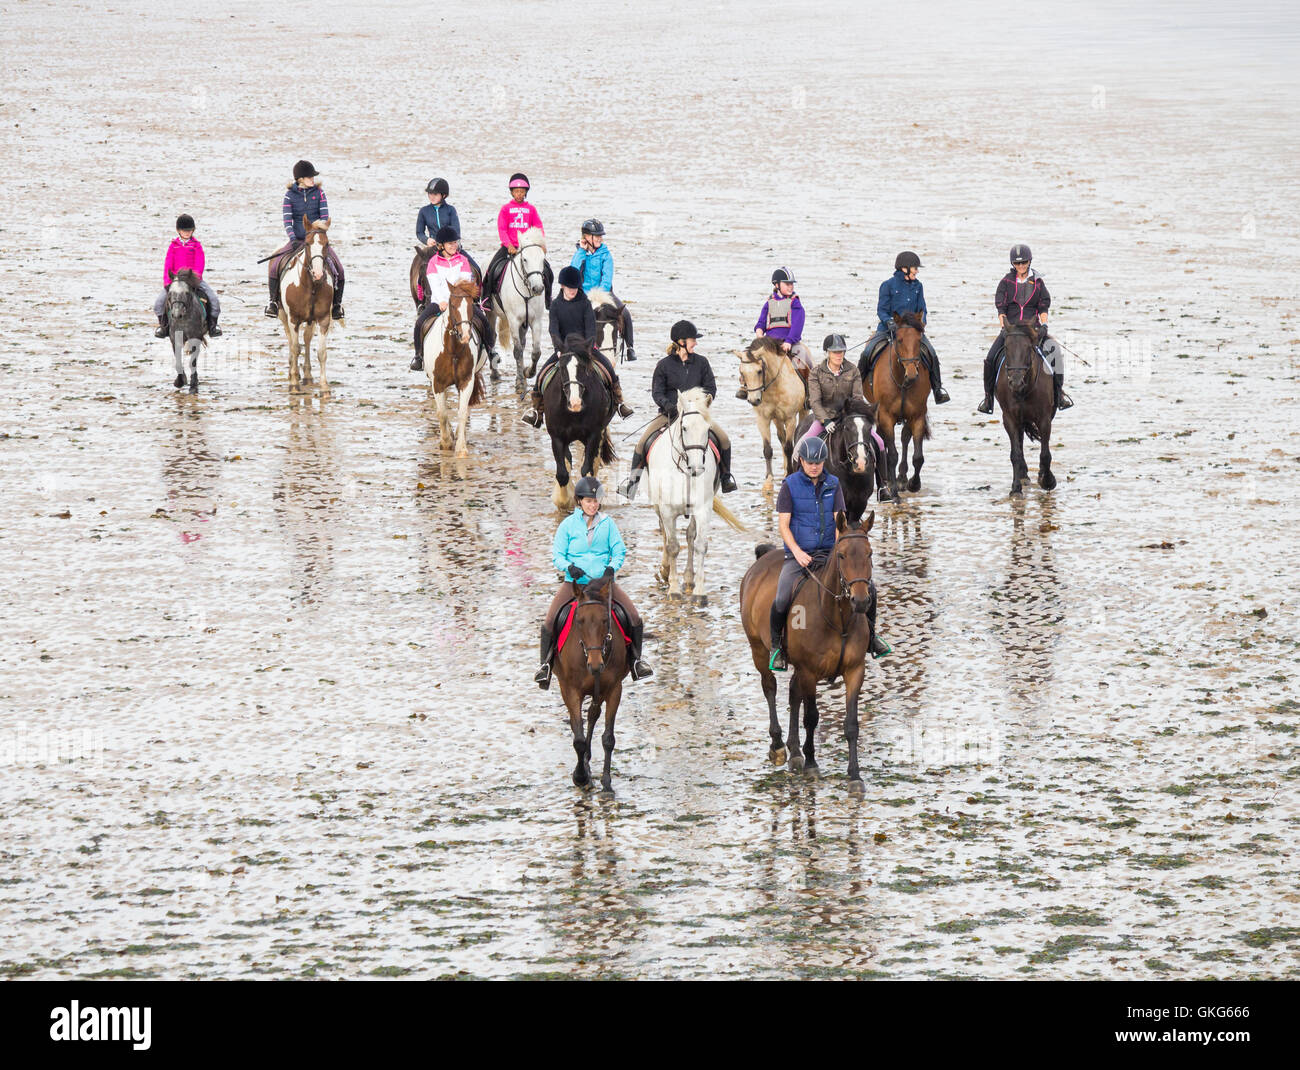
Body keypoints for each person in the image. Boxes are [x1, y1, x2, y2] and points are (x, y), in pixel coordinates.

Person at [768, 436, 891, 672]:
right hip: (798, 555)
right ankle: (777, 647)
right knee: (783, 595)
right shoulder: (789, 486)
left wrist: (838, 551)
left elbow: (840, 522)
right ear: (802, 461)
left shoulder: (833, 484)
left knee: (870, 588)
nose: (815, 467)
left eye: (819, 462)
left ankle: (872, 638)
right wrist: (797, 552)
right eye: (810, 462)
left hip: (828, 551)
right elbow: (783, 525)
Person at [535, 475, 652, 688]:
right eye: (589, 501)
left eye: (596, 501)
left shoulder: (608, 524)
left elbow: (619, 550)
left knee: (634, 617)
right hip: (575, 584)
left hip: (604, 584)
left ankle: (636, 662)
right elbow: (557, 555)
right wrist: (569, 567)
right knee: (550, 621)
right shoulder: (567, 525)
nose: (593, 505)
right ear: (579, 501)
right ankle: (546, 667)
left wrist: (611, 569)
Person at [617, 320, 737, 498]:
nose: (695, 343)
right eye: (692, 340)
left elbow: (711, 388)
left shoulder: (702, 363)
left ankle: (726, 477)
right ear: (681, 342)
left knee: (724, 440)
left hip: (696, 415)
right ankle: (632, 482)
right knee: (642, 443)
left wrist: (703, 403)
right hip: (670, 414)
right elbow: (657, 393)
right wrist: (668, 405)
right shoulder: (664, 365)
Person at [521, 265, 632, 425]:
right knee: (541, 376)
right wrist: (559, 348)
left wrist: (588, 347)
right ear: (563, 286)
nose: (573, 290)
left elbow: (591, 328)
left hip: (586, 348)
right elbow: (553, 329)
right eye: (570, 287)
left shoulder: (585, 304)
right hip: (564, 349)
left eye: (575, 287)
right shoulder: (556, 306)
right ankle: (537, 412)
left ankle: (620, 403)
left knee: (609, 370)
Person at [977, 244, 1072, 413]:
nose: (1021, 266)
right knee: (990, 358)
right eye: (1017, 264)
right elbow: (1001, 309)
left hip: (1032, 330)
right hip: (1011, 329)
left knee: (1055, 354)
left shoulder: (1038, 282)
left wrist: (1043, 325)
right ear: (1013, 264)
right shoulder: (1006, 282)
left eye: (1024, 263)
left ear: (1029, 262)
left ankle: (1059, 396)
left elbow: (1043, 307)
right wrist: (1006, 327)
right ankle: (988, 399)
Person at [804, 334, 895, 502]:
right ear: (827, 353)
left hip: (850, 416)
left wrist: (854, 416)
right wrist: (825, 421)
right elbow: (815, 401)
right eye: (835, 352)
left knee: (880, 443)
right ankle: (795, 482)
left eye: (841, 352)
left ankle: (883, 486)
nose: (839, 355)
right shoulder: (816, 372)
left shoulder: (853, 370)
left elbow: (858, 398)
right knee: (804, 443)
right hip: (826, 417)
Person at [859, 252, 949, 403]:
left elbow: (922, 308)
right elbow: (881, 310)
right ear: (904, 268)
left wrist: (922, 323)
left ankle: (938, 390)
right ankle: (855, 389)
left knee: (932, 354)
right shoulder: (887, 285)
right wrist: (889, 322)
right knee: (867, 352)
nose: (917, 271)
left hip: (912, 332)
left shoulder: (918, 286)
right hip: (888, 329)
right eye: (915, 268)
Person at [264, 160, 345, 321]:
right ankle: (273, 302)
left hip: (316, 240)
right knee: (274, 266)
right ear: (300, 179)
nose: (312, 179)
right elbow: (287, 221)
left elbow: (324, 216)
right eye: (309, 177)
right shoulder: (289, 196)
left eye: (313, 177)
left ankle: (337, 305)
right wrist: (293, 238)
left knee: (340, 270)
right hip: (298, 239)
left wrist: (317, 234)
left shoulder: (320, 193)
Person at [410, 226, 493, 371]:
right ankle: (419, 356)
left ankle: (491, 351)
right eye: (450, 244)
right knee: (419, 323)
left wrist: (458, 300)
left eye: (455, 242)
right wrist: (442, 301)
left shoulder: (463, 260)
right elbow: (434, 284)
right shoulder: (433, 263)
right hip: (439, 302)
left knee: (484, 320)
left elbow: (465, 282)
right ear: (441, 246)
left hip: (461, 302)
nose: (454, 246)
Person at [570, 218, 636, 360]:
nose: (600, 238)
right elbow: (573, 272)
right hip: (584, 295)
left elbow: (607, 278)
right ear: (587, 237)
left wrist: (599, 298)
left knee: (625, 314)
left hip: (604, 294)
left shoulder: (606, 255)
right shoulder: (579, 253)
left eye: (601, 236)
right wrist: (581, 251)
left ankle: (630, 347)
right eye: (597, 235)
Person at [414, 178, 479, 307]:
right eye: (430, 194)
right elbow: (419, 232)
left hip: (451, 245)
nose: (431, 196)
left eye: (435, 194)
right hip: (433, 247)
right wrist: (427, 240)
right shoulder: (424, 211)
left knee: (476, 268)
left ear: (443, 195)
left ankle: (478, 300)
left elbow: (456, 230)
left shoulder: (450, 210)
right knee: (422, 270)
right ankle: (421, 302)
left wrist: (447, 242)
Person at [153, 214, 221, 337]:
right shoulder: (173, 246)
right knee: (158, 304)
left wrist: (194, 279)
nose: (187, 233)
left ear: (193, 230)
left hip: (193, 280)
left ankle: (212, 327)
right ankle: (163, 328)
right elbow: (168, 265)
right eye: (184, 230)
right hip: (175, 281)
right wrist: (168, 282)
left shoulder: (196, 245)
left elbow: (200, 264)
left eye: (189, 230)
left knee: (214, 301)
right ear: (179, 231)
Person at [482, 173, 544, 301]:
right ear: (512, 192)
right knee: (492, 269)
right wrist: (508, 244)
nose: (519, 194)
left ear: (526, 192)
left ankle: (547, 298)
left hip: (527, 247)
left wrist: (541, 245)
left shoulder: (531, 209)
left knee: (547, 270)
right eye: (516, 191)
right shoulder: (505, 209)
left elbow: (538, 227)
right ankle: (487, 298)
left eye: (522, 191)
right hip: (510, 247)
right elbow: (502, 229)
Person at [754, 267, 813, 372]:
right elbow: (761, 322)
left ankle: (810, 385)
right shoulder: (769, 302)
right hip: (770, 344)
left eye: (792, 284)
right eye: (787, 284)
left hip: (790, 344)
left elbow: (797, 325)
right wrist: (759, 332)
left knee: (807, 365)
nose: (791, 287)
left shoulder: (795, 302)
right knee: (751, 362)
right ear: (777, 285)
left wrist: (789, 341)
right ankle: (746, 386)